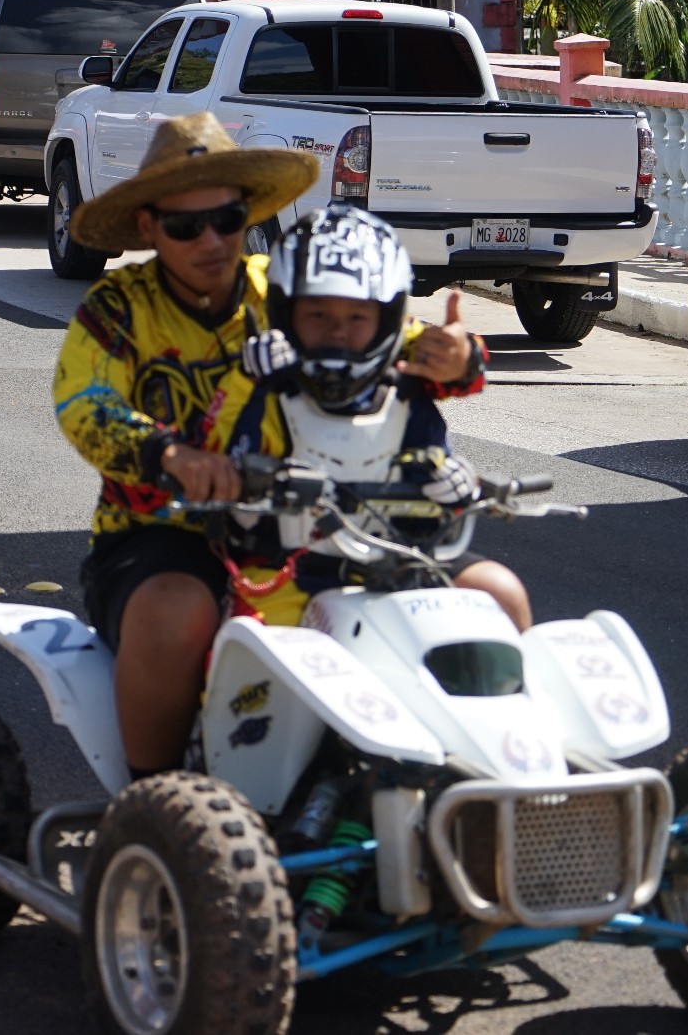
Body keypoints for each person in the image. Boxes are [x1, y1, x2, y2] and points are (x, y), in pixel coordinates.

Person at [52, 114, 486, 777]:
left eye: (226, 218)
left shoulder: (288, 289)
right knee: (176, 612)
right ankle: (152, 800)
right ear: (147, 227)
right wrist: (170, 456)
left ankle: (474, 780)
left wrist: (458, 358)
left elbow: (389, 345)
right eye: (184, 226)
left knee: (484, 601)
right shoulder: (118, 308)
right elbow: (85, 402)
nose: (211, 241)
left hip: (322, 521)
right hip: (162, 530)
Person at [209, 203, 532, 632]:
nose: (338, 329)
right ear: (285, 313)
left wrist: (453, 484)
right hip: (288, 572)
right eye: (318, 314)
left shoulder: (406, 391)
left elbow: (431, 465)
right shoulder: (261, 388)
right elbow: (219, 464)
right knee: (252, 646)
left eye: (357, 316)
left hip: (402, 563)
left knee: (501, 592)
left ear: (387, 319)